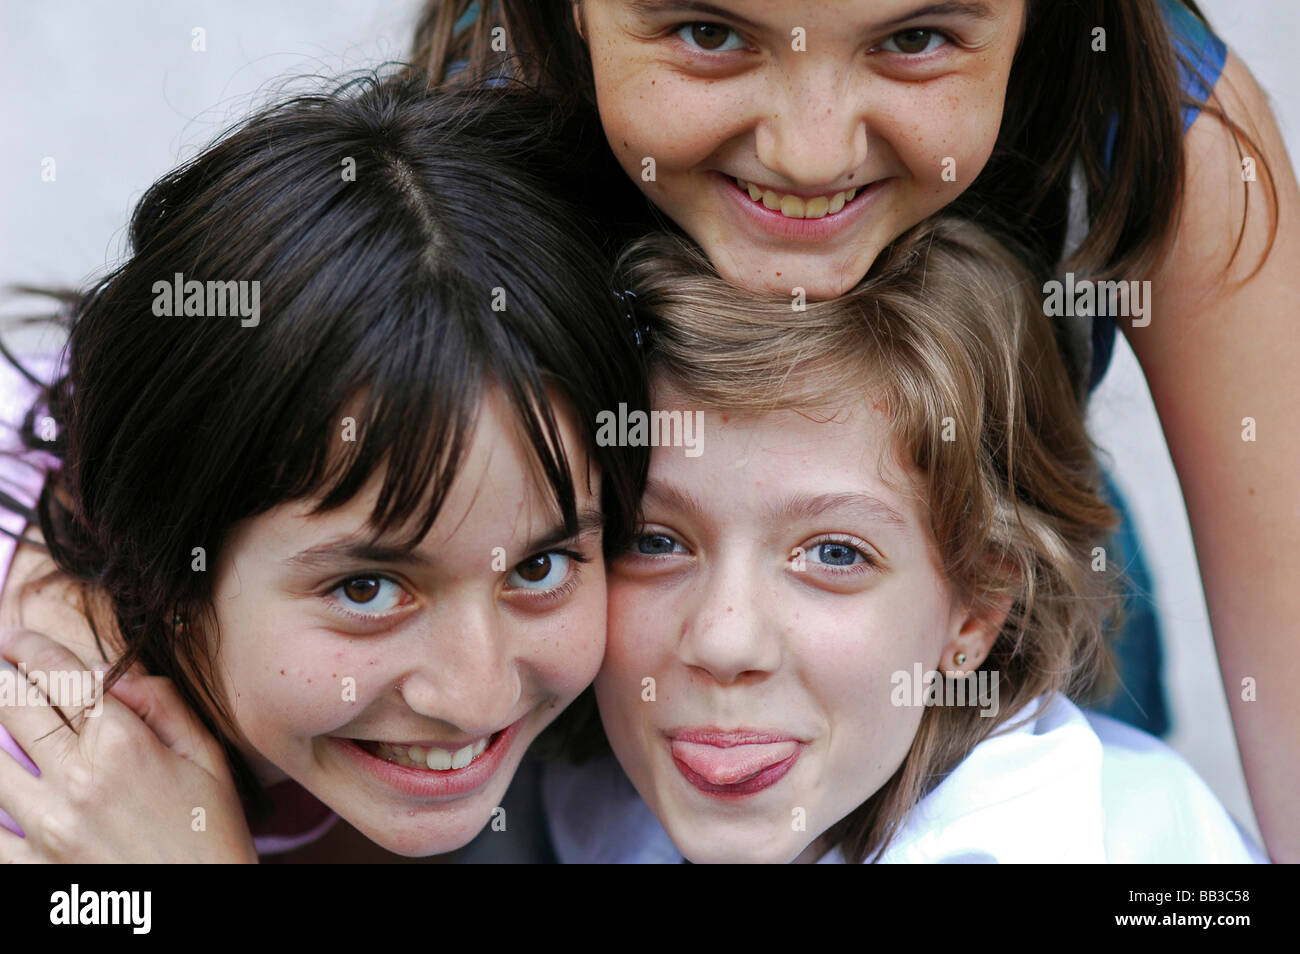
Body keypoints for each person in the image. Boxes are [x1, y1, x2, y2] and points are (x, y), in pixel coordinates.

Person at [415, 0, 1298, 861]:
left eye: (914, 38)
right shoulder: (472, 130)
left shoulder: (1151, 116)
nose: (810, 155)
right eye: (710, 32)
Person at [0, 71, 648, 862]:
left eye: (542, 566)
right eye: (365, 588)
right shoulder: (46, 812)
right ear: (166, 547)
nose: (477, 694)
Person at [534, 217, 1265, 863]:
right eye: (655, 541)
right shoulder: (585, 803)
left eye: (834, 554)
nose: (726, 644)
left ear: (975, 610)